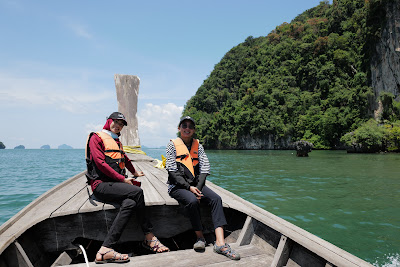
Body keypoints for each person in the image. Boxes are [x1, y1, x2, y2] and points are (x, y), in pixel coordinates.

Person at [86, 112, 169, 264]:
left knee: (130, 203)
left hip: (115, 184)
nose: (118, 126)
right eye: (116, 122)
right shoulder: (96, 138)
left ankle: (105, 249)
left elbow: (124, 157)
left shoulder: (116, 141)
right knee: (137, 192)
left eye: (121, 124)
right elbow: (100, 164)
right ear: (109, 121)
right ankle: (149, 238)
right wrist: (123, 179)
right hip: (100, 185)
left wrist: (135, 172)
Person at [165, 116, 240, 260]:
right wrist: (189, 188)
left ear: (193, 130)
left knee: (216, 199)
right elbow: (172, 170)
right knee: (192, 201)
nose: (187, 128)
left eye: (190, 126)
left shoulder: (197, 145)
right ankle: (200, 238)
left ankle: (220, 243)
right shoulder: (172, 145)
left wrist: (197, 188)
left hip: (195, 185)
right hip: (177, 186)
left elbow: (205, 168)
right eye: (184, 125)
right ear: (179, 128)